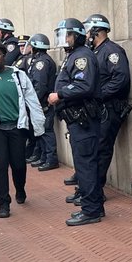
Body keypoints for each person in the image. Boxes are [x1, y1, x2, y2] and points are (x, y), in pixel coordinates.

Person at [0, 42, 46, 218]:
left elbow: (31, 100)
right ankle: (3, 203)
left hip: (16, 127)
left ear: (4, 56)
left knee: (19, 164)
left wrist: (38, 123)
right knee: (0, 165)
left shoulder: (18, 75)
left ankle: (20, 189)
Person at [50, 18, 104, 226]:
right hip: (77, 119)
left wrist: (60, 94)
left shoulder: (83, 56)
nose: (64, 39)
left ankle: (91, 210)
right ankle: (93, 206)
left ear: (78, 36)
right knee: (84, 164)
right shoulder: (74, 55)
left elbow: (84, 86)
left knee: (86, 164)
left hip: (84, 120)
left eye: (68, 35)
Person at [85, 13, 132, 196]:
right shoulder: (95, 51)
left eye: (89, 31)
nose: (87, 35)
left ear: (97, 31)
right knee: (94, 148)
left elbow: (120, 79)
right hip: (98, 107)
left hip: (110, 107)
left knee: (102, 148)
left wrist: (99, 94)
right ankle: (89, 187)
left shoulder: (112, 51)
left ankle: (96, 190)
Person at [26, 33, 60, 170]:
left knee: (46, 130)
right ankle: (44, 156)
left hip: (43, 103)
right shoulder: (40, 60)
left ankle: (51, 159)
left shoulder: (42, 62)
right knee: (40, 130)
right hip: (41, 102)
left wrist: (35, 102)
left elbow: (40, 85)